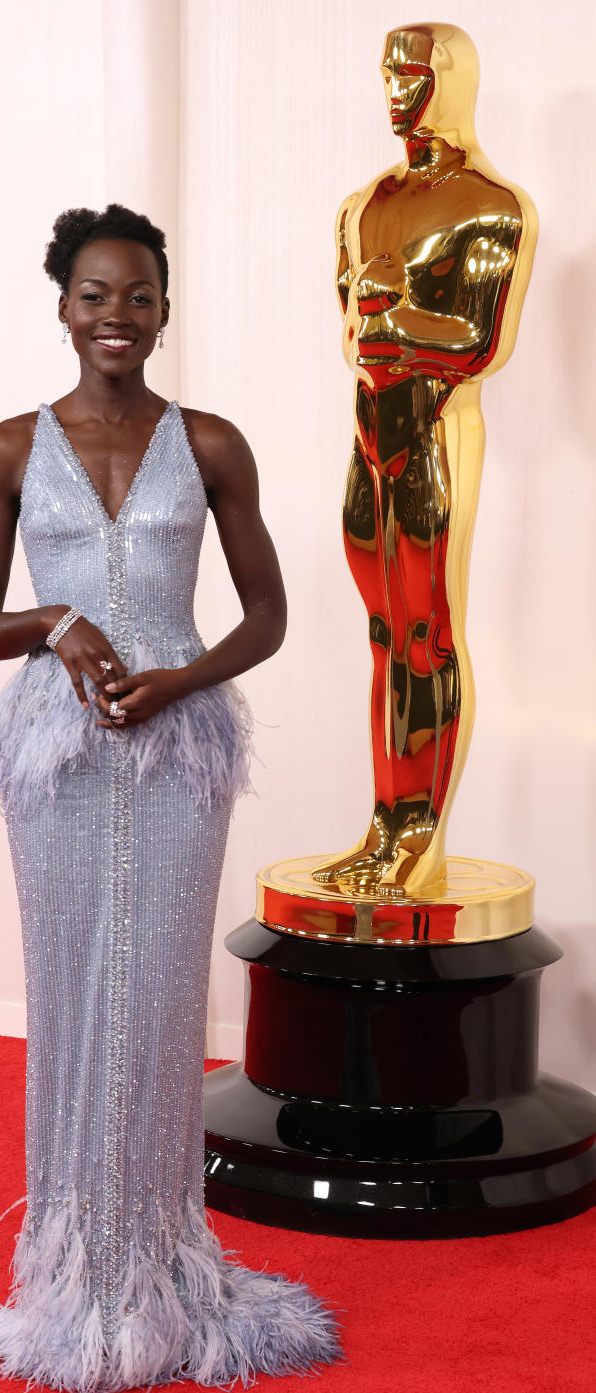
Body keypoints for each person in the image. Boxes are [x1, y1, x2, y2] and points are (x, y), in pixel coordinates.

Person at [0, 204, 339, 1393]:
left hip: (180, 751)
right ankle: (74, 1272)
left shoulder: (212, 444)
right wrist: (57, 623)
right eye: (94, 296)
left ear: (164, 310)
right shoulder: (10, 447)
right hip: (56, 753)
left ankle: (162, 1264)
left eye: (138, 297)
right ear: (61, 306)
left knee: (165, 993)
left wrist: (183, 675)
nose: (116, 317)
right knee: (70, 985)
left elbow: (267, 613)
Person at [312, 22, 535, 898]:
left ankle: (422, 842)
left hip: (439, 430)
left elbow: (478, 342)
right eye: (387, 72)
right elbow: (349, 336)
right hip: (370, 434)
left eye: (413, 71)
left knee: (426, 634)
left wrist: (392, 315)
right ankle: (384, 825)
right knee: (382, 637)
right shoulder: (363, 202)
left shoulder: (493, 205)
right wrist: (374, 319)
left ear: (450, 79)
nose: (397, 89)